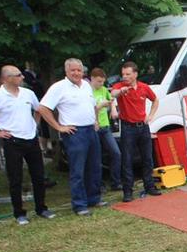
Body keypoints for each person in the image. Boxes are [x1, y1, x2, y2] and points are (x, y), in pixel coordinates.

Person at [0, 65, 56, 224]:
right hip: (13, 141)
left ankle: (41, 208)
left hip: (31, 138)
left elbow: (38, 109)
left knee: (38, 176)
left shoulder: (27, 93)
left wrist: (35, 124)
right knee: (15, 178)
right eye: (18, 75)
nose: (22, 77)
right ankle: (19, 213)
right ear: (7, 78)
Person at [37, 58, 104, 216]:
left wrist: (95, 120)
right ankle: (79, 204)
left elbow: (92, 105)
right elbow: (43, 108)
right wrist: (58, 127)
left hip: (90, 130)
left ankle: (94, 198)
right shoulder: (59, 87)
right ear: (66, 71)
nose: (76, 73)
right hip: (74, 132)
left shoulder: (86, 85)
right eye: (73, 70)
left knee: (94, 166)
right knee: (77, 169)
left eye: (79, 70)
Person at [111, 61, 161, 201]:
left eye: (128, 74)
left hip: (143, 126)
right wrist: (121, 91)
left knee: (147, 158)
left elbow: (155, 100)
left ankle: (149, 186)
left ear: (135, 74)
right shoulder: (120, 86)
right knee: (127, 159)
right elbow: (113, 94)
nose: (125, 77)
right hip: (128, 127)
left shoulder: (144, 87)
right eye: (123, 74)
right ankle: (128, 191)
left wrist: (150, 116)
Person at [89, 68, 122, 192]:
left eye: (103, 81)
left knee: (116, 153)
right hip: (94, 128)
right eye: (99, 81)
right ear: (92, 79)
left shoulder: (103, 90)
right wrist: (100, 106)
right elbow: (89, 109)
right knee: (96, 157)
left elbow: (111, 99)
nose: (101, 84)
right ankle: (99, 184)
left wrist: (113, 109)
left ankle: (116, 182)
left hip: (106, 126)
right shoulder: (87, 91)